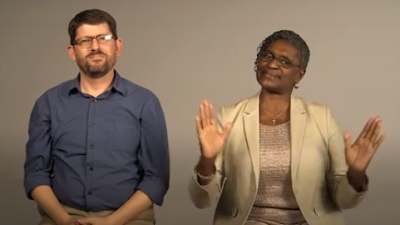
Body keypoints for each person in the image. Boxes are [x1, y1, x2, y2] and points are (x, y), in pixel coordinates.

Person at [188, 30, 385, 225]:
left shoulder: (321, 117)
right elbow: (202, 200)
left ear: (300, 75)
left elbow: (345, 200)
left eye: (284, 61)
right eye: (267, 55)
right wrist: (207, 159)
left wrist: (356, 172)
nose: (272, 64)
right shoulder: (230, 117)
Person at [23, 9, 170, 225]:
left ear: (117, 46)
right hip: (62, 215)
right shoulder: (47, 103)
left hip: (129, 217)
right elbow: (36, 174)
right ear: (72, 52)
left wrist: (112, 222)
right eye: (85, 41)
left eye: (103, 38)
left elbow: (156, 180)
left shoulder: (145, 103)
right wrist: (64, 220)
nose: (95, 46)